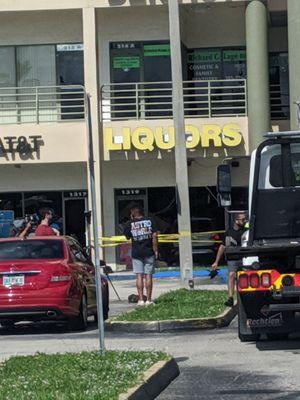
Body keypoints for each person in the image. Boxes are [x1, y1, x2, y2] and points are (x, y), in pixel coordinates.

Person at [124, 205, 158, 306]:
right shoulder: (150, 220)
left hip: (136, 253)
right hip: (149, 251)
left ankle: (141, 300)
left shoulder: (129, 223)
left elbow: (127, 237)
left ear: (133, 213)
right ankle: (149, 300)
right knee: (148, 275)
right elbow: (155, 236)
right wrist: (155, 250)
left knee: (139, 275)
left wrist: (132, 221)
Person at [211, 213, 246, 307]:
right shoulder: (228, 233)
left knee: (245, 277)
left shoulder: (246, 231)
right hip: (232, 259)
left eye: (244, 219)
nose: (244, 221)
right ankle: (230, 298)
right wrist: (216, 262)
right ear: (236, 220)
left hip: (244, 258)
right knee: (231, 275)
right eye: (242, 220)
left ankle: (246, 295)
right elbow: (222, 247)